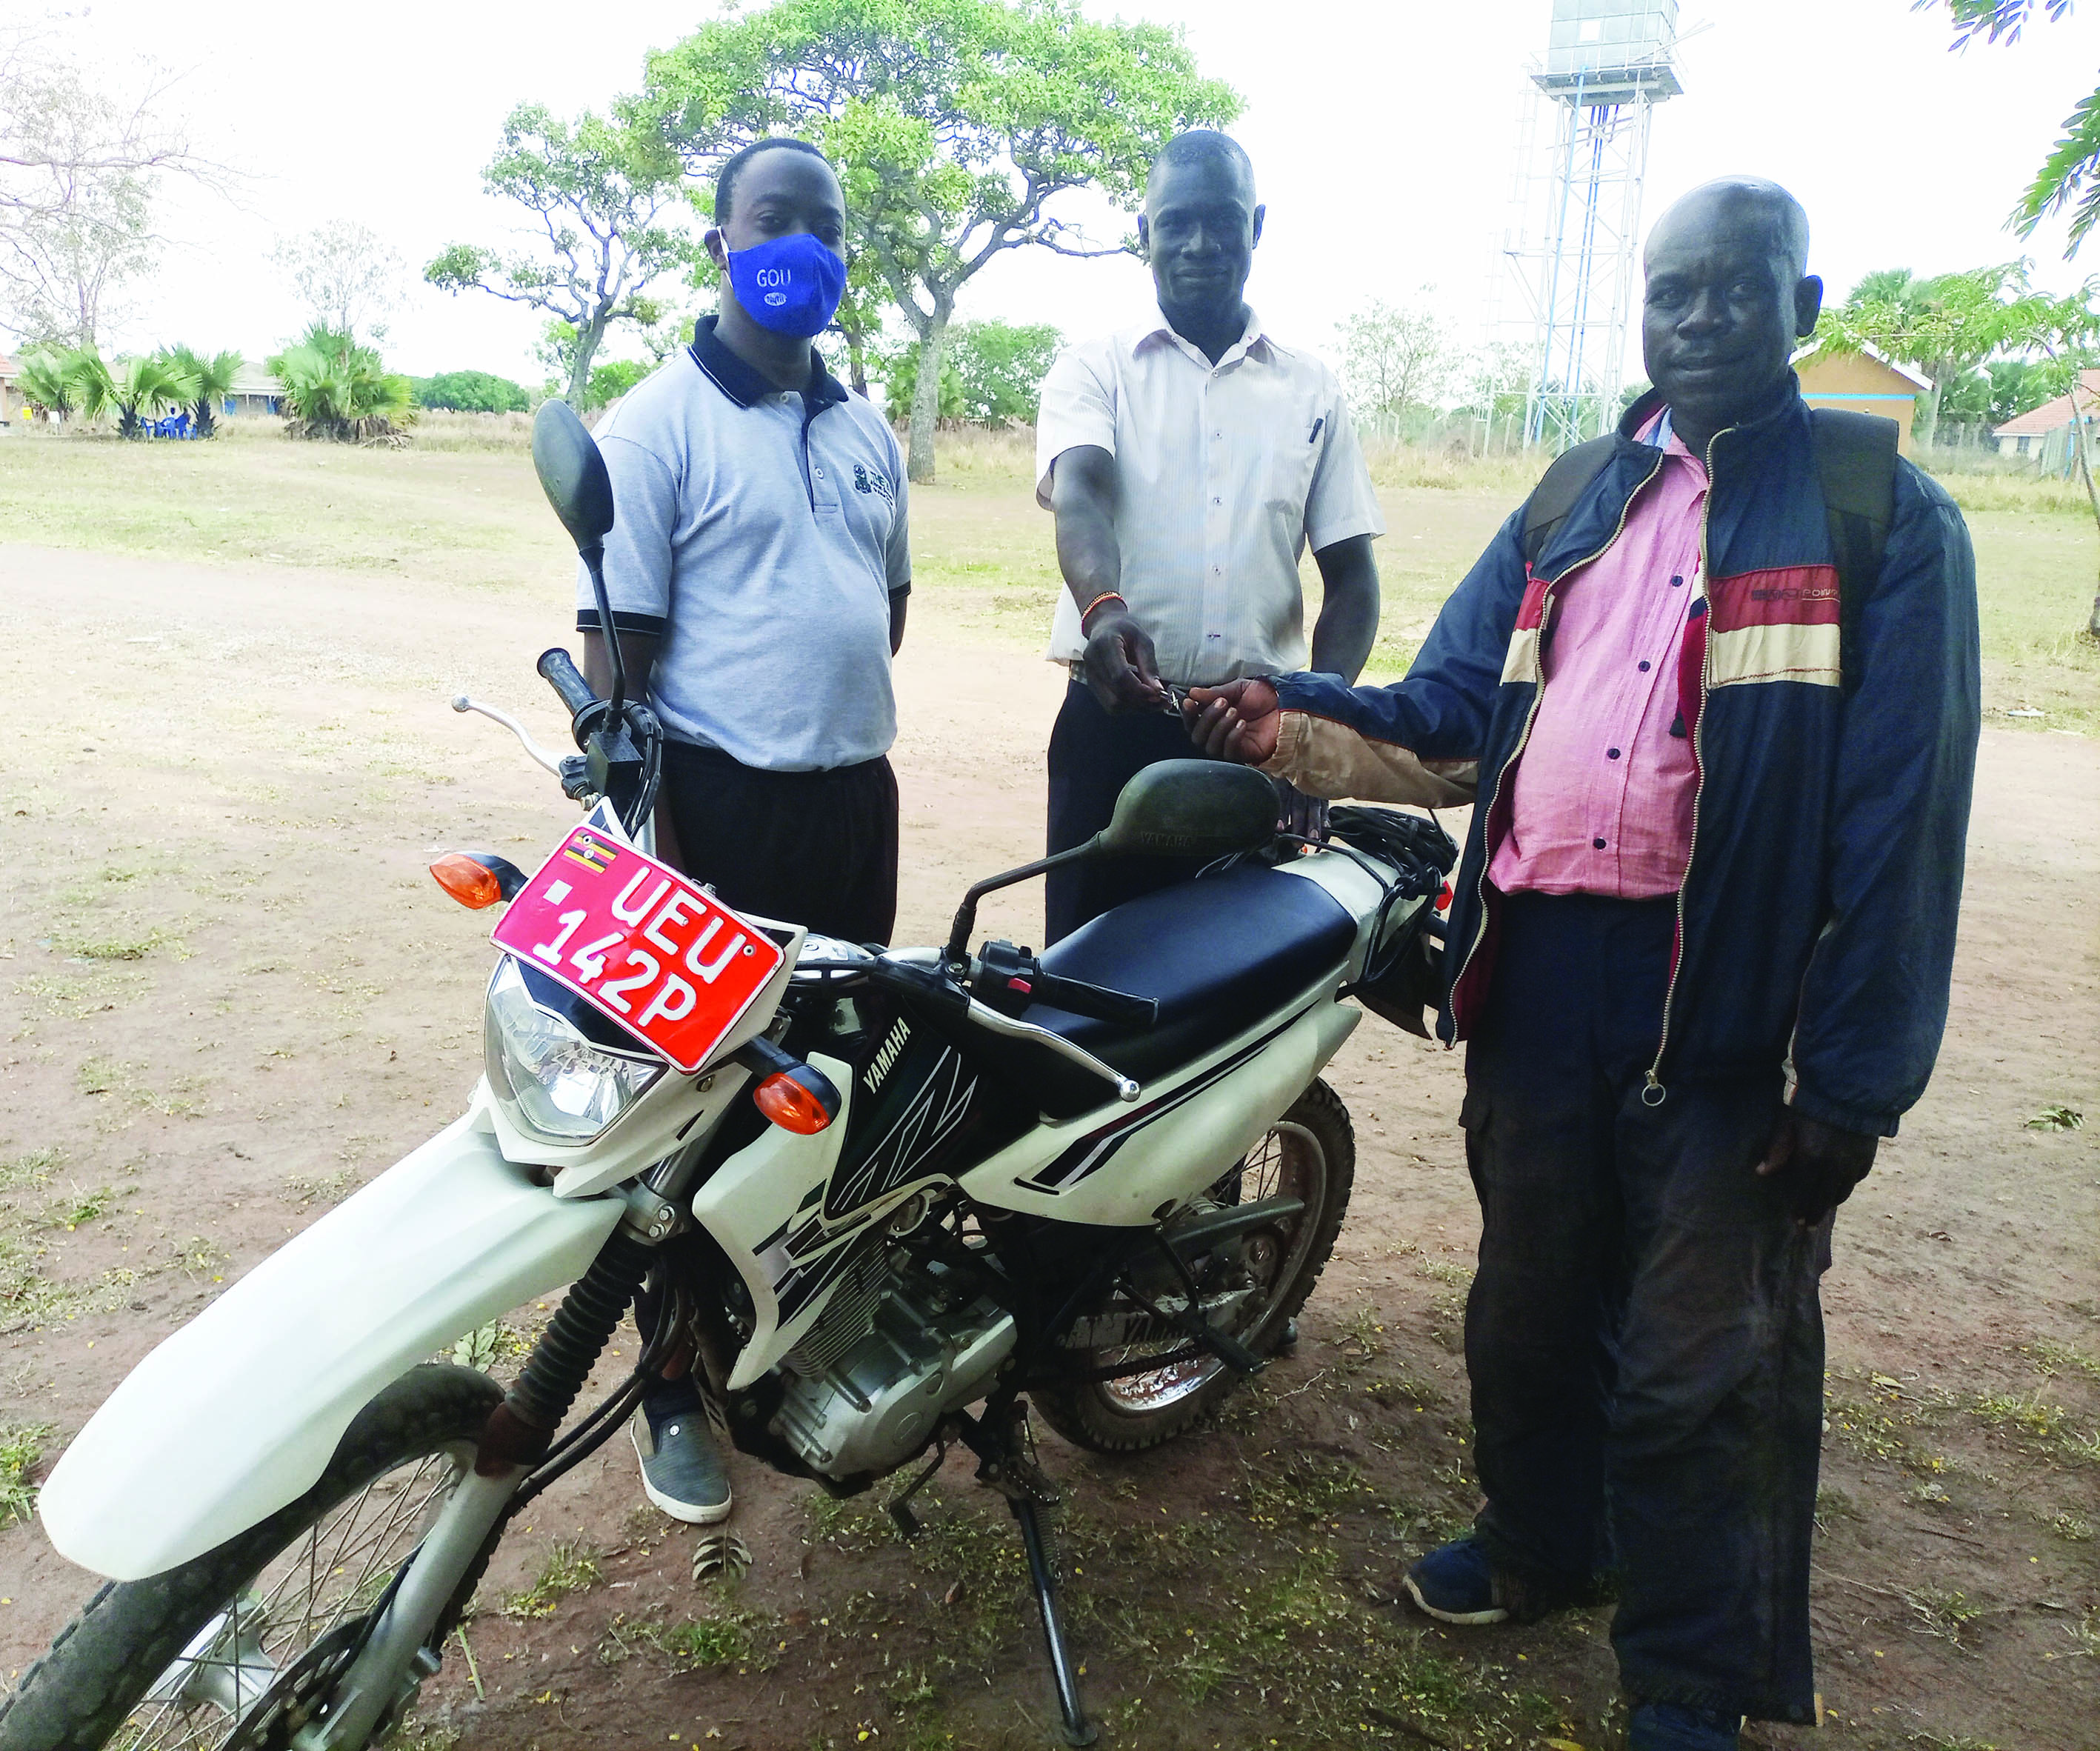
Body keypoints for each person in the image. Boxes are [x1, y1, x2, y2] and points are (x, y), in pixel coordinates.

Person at [1184, 179, 1979, 1751]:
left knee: (1700, 1360)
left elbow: (1901, 817)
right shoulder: (1574, 496)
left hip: (1726, 1004)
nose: (1694, 321)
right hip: (1542, 974)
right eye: (1669, 293)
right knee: (1529, 1305)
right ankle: (1545, 1545)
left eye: (1731, 293)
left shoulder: (1872, 511)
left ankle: (1687, 1677)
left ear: (1797, 306)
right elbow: (1452, 711)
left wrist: (1854, 1078)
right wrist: (1283, 711)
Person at [576, 136, 910, 1527]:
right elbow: (618, 645)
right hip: (719, 810)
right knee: (685, 1103)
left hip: (852, 802)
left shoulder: (867, 421)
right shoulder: (656, 422)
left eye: (825, 224)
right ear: (719, 237)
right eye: (775, 217)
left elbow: (887, 602)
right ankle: (669, 1381)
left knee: (829, 1082)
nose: (803, 245)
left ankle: (790, 1323)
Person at [1033, 129, 1402, 943]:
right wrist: (1104, 611)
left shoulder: (1312, 389)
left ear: (1256, 226)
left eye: (1224, 221)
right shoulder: (1095, 368)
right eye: (1178, 224)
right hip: (1112, 723)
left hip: (1257, 736)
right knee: (1088, 973)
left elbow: (1355, 581)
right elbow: (1082, 497)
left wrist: (1316, 726)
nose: (1201, 244)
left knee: (1231, 977)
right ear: (1145, 233)